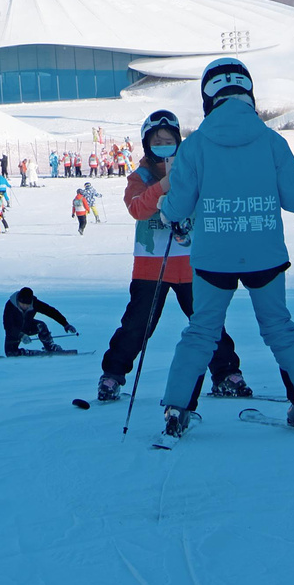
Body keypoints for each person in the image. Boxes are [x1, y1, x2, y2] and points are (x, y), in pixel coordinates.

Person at [158, 57, 294, 441]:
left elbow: (178, 207)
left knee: (201, 332)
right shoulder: (272, 140)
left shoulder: (197, 145)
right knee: (280, 329)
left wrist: (165, 208)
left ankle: (176, 409)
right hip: (264, 253)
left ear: (209, 97)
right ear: (248, 92)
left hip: (213, 257)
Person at [98, 110, 250, 403]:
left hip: (191, 263)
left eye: (169, 141)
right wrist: (164, 186)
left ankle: (226, 373)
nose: (164, 147)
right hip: (151, 266)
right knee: (137, 325)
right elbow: (137, 208)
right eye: (158, 142)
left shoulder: (191, 170)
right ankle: (112, 375)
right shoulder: (139, 176)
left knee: (207, 321)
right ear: (147, 145)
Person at [2, 286, 78, 354]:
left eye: (27, 304)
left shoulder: (35, 303)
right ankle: (25, 353)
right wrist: (20, 335)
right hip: (13, 331)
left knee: (41, 325)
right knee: (10, 353)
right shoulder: (10, 305)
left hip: (28, 327)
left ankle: (49, 347)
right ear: (18, 300)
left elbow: (51, 311)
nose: (25, 306)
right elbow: (8, 325)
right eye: (22, 304)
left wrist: (65, 324)